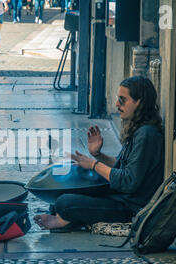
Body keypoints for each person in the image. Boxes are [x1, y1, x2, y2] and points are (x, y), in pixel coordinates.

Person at [34, 76, 165, 231]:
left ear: (139, 102)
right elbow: (122, 165)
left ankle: (63, 221)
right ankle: (64, 217)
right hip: (120, 196)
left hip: (130, 207)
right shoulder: (139, 129)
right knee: (63, 189)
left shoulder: (147, 134)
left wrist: (94, 165)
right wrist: (98, 155)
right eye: (118, 99)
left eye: (123, 100)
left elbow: (128, 181)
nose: (117, 104)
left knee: (64, 202)